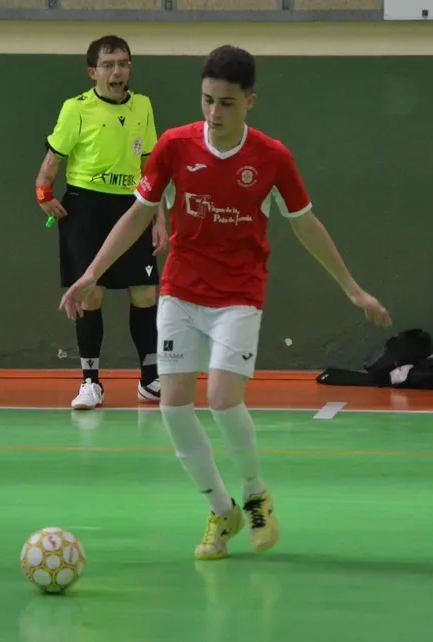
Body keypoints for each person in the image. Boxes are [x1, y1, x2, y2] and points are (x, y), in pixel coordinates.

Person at [58, 45, 392, 561]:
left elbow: (306, 224)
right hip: (181, 290)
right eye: (207, 100)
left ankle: (256, 493)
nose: (214, 113)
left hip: (239, 293)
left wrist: (352, 288)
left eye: (227, 103)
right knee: (173, 407)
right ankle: (222, 509)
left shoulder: (272, 158)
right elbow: (138, 214)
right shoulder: (175, 146)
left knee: (221, 399)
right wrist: (90, 274)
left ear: (249, 102)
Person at [36, 35, 168, 411]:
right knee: (91, 294)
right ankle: (90, 382)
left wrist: (159, 217)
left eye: (123, 64)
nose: (117, 71)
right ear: (93, 72)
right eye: (108, 65)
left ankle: (150, 380)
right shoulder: (75, 108)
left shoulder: (142, 106)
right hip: (85, 208)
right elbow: (50, 165)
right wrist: (44, 194)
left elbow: (151, 168)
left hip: (133, 207)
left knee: (145, 293)